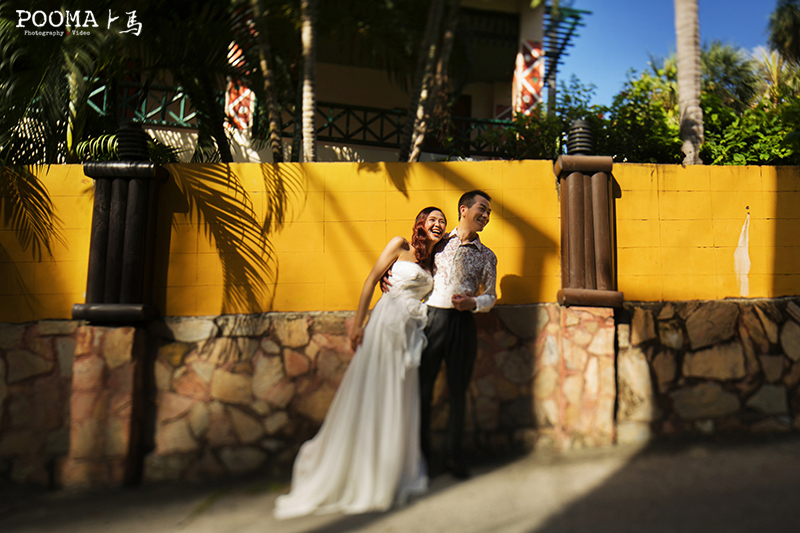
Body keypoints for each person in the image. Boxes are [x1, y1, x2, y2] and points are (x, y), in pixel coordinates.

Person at [273, 207, 448, 519]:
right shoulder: (400, 245)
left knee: (398, 396)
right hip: (385, 324)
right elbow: (371, 280)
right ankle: (362, 471)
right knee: (375, 391)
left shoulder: (433, 262)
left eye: (442, 221)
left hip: (409, 333)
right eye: (432, 219)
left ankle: (391, 471)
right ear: (420, 223)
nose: (438, 223)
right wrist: (358, 323)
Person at [419, 190, 497, 480]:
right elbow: (414, 266)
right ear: (463, 209)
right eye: (482, 209)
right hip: (432, 319)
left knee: (457, 392)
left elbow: (491, 296)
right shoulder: (438, 243)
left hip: (463, 323)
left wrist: (473, 303)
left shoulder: (487, 256)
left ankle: (454, 457)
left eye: (488, 213)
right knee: (423, 390)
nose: (486, 215)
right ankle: (421, 458)